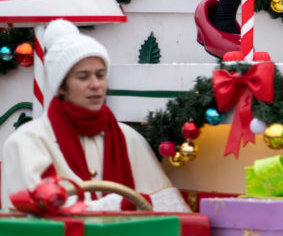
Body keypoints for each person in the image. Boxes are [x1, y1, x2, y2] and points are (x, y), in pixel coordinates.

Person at [1, 20, 189, 212]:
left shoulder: (129, 139)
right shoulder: (27, 142)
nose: (95, 85)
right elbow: (32, 213)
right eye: (83, 77)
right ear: (61, 87)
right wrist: (114, 205)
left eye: (100, 75)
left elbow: (170, 211)